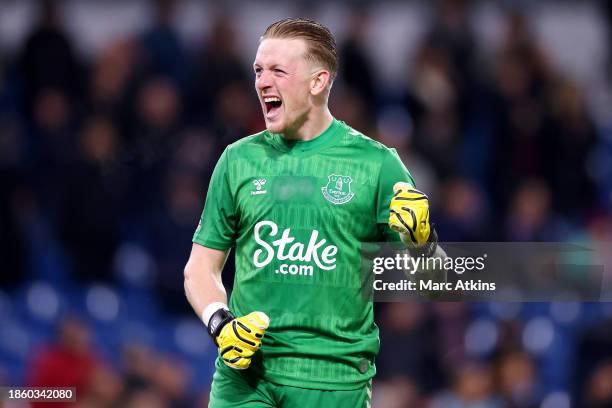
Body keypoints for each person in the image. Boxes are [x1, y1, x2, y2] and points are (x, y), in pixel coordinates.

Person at [184, 18, 438, 407]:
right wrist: (221, 323)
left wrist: (420, 240)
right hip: (245, 380)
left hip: (333, 383)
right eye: (258, 70)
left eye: (277, 71)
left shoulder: (377, 165)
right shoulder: (237, 160)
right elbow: (200, 267)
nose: (262, 82)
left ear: (318, 82)